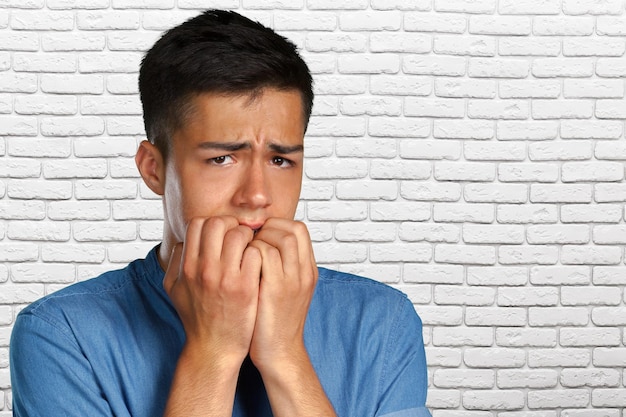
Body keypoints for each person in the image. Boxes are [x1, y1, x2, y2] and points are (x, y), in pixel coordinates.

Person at [10, 9, 431, 417]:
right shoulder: (60, 334)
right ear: (154, 169)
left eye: (281, 160)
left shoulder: (381, 321)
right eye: (222, 159)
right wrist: (213, 353)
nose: (257, 196)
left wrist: (286, 357)